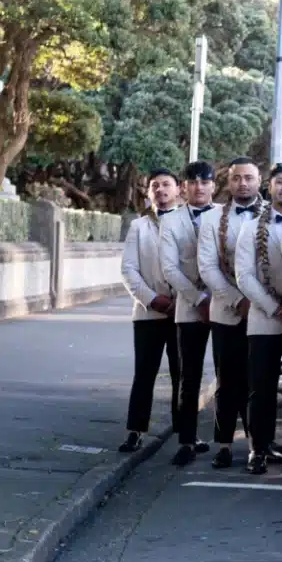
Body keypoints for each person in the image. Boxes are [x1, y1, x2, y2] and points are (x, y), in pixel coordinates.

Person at [235, 163, 282, 475]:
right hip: (264, 317)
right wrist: (273, 307)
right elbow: (244, 275)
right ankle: (258, 449)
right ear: (270, 188)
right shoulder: (251, 227)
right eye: (280, 183)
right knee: (260, 387)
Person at [196, 157, 262, 468]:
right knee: (226, 381)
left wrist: (260, 302)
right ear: (229, 182)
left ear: (259, 181)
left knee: (257, 383)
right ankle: (222, 444)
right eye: (237, 178)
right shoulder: (211, 219)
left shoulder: (274, 217)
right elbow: (207, 267)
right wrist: (237, 301)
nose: (243, 183)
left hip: (265, 313)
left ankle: (256, 446)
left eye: (249, 177)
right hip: (226, 312)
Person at [118, 169, 183, 453]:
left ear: (178, 190)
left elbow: (198, 266)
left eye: (166, 184)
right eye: (155, 186)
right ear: (148, 192)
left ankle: (186, 434)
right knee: (144, 373)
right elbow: (128, 269)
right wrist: (152, 299)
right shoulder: (138, 226)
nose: (160, 189)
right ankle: (135, 430)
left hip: (184, 312)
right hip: (148, 313)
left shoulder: (189, 223)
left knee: (183, 375)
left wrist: (184, 300)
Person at [159, 160, 218, 465]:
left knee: (228, 374)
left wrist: (219, 297)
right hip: (189, 305)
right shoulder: (171, 221)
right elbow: (169, 267)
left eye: (204, 181)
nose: (198, 187)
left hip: (225, 305)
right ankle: (187, 440)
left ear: (213, 186)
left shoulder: (225, 215)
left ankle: (225, 442)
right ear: (184, 187)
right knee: (188, 375)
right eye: (192, 182)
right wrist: (199, 298)